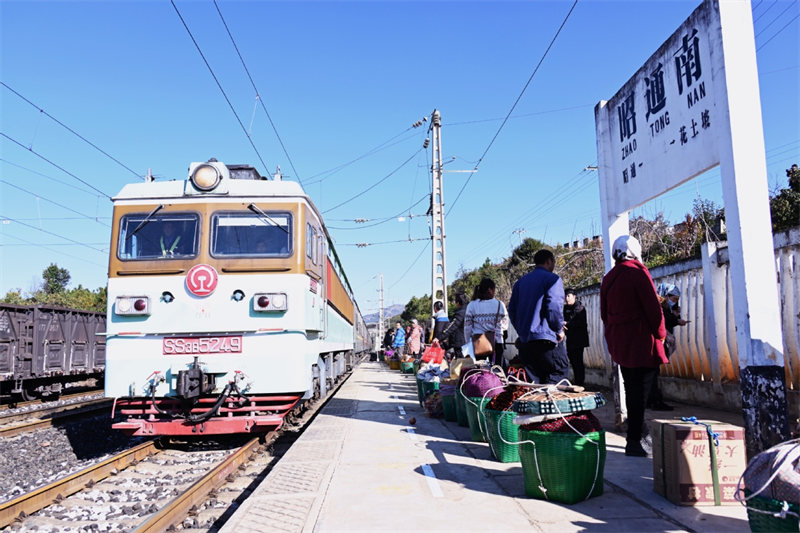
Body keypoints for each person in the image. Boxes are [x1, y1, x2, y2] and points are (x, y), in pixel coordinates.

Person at [600, 235, 667, 457]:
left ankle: (640, 437)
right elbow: (653, 308)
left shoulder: (609, 278)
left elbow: (604, 314)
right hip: (641, 341)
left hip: (620, 342)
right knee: (641, 393)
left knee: (632, 389)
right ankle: (635, 441)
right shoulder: (638, 272)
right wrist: (661, 334)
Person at [508, 249, 568, 384]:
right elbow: (554, 307)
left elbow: (512, 311)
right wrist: (558, 329)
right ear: (549, 261)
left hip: (526, 345)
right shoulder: (553, 279)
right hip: (547, 343)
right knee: (557, 379)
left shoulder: (520, 283)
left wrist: (522, 332)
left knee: (534, 386)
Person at [648, 284, 688, 410]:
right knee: (652, 373)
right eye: (673, 299)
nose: (674, 302)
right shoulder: (658, 307)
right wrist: (676, 320)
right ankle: (654, 401)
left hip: (661, 343)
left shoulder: (665, 308)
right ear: (666, 295)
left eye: (676, 300)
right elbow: (663, 321)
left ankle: (654, 400)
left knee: (654, 373)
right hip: (656, 344)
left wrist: (676, 315)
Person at [464, 277, 509, 366]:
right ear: (490, 290)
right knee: (498, 370)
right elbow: (505, 324)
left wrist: (467, 341)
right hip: (497, 342)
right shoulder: (500, 304)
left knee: (481, 370)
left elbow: (467, 327)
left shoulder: (472, 305)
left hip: (479, 342)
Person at [563, 288, 589, 386]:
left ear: (574, 297)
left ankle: (580, 383)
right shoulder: (565, 308)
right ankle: (576, 381)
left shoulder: (579, 307)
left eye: (569, 296)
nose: (567, 298)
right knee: (572, 360)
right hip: (570, 338)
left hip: (579, 339)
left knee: (578, 361)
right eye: (565, 296)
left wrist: (567, 323)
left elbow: (579, 322)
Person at [441, 293, 468, 359]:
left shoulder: (460, 313)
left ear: (458, 302)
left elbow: (452, 326)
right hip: (469, 342)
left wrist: (440, 337)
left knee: (460, 364)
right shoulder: (470, 310)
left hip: (460, 343)